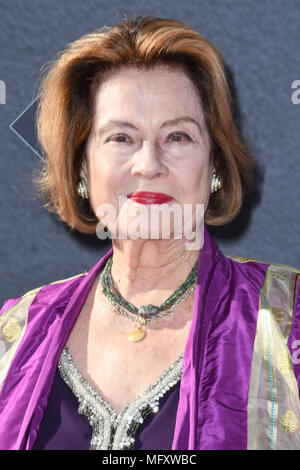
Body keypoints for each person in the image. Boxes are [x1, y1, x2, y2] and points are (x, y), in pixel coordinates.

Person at [0, 15, 300, 451]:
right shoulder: (14, 333)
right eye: (121, 138)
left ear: (214, 164)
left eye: (177, 137)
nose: (148, 164)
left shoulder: (288, 322)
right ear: (82, 167)